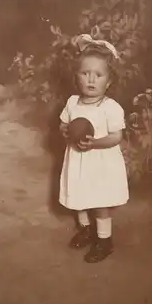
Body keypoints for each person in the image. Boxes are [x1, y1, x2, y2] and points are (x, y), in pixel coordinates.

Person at [59, 33, 129, 263]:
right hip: (78, 162)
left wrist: (95, 143)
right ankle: (86, 230)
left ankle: (104, 240)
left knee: (99, 202)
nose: (91, 79)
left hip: (100, 163)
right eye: (85, 73)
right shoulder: (72, 102)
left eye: (98, 75)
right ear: (76, 77)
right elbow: (64, 123)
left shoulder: (110, 107)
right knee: (78, 197)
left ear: (108, 81)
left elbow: (116, 136)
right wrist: (65, 129)